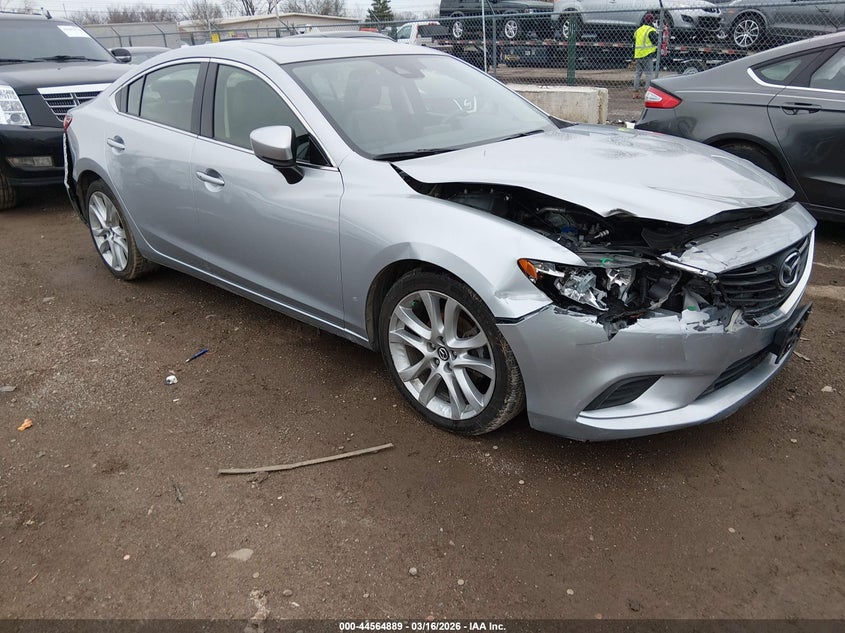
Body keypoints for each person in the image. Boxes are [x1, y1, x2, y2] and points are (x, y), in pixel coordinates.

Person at [633, 13, 660, 99]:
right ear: (652, 20)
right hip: (647, 55)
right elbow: (656, 42)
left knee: (638, 74)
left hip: (638, 55)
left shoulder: (639, 30)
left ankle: (635, 92)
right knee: (649, 74)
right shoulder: (651, 30)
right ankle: (647, 93)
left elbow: (634, 43)